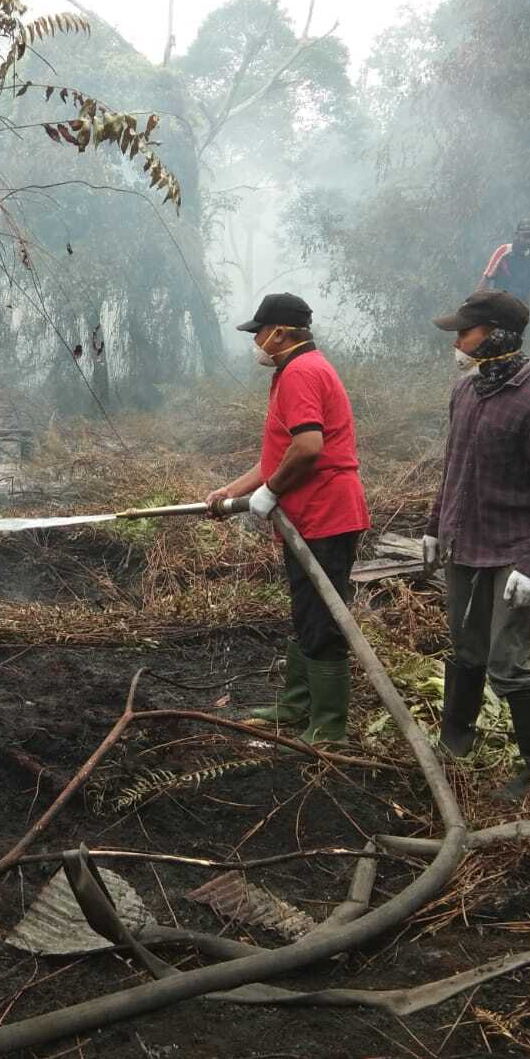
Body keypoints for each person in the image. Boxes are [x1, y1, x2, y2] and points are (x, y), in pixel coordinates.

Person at [422, 290, 530, 798]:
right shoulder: (464, 392)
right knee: (466, 653)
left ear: (496, 336)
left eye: (465, 331)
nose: (457, 340)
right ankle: (455, 746)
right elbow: (453, 468)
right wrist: (431, 526)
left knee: (509, 665)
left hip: (512, 557)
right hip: (463, 548)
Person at [205, 293, 371, 744]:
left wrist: (272, 491)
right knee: (306, 610)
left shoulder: (301, 372)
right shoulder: (292, 372)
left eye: (258, 332)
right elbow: (280, 452)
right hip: (306, 515)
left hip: (327, 512)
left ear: (279, 332)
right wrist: (233, 491)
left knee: (323, 615)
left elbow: (309, 448)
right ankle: (298, 703)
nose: (255, 341)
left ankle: (329, 726)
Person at [478, 219, 530, 302]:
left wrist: (526, 309)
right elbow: (486, 278)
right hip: (499, 303)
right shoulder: (503, 251)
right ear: (517, 235)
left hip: (519, 306)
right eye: (525, 236)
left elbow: (529, 285)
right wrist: (476, 303)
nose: (529, 240)